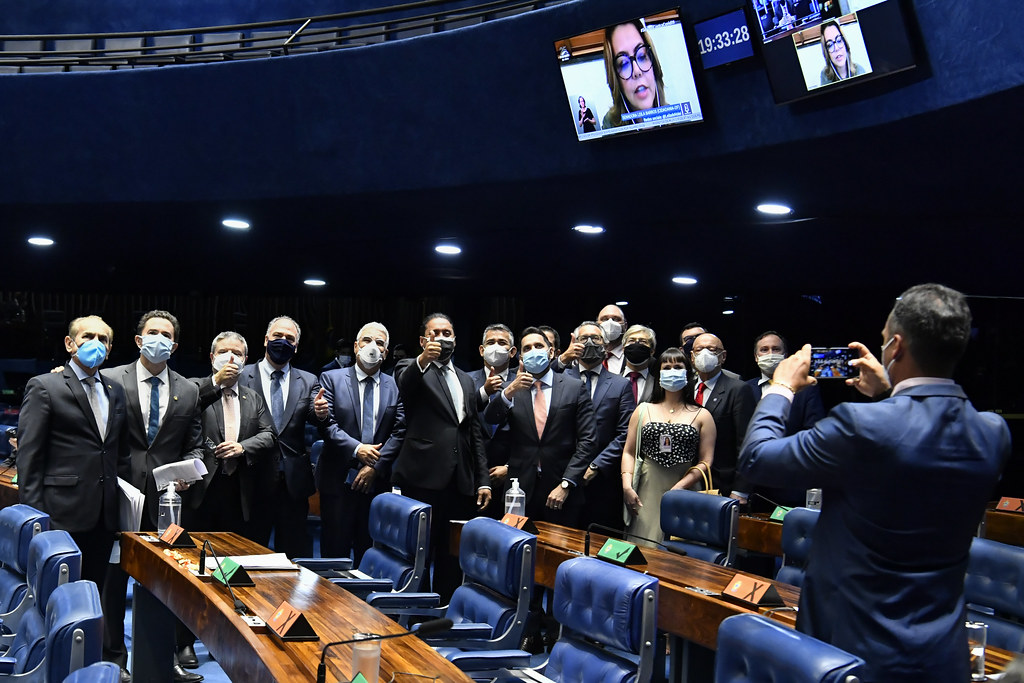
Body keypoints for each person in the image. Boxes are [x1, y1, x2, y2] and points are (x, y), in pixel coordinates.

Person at [738, 284, 1011, 683]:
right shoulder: (992, 433)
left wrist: (781, 387)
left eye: (884, 340)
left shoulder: (860, 424)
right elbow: (914, 449)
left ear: (895, 347)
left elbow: (757, 459)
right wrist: (889, 393)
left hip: (852, 656)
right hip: (941, 657)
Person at [16, 316, 130, 671]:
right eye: (87, 336)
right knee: (54, 605)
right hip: (59, 515)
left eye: (103, 339)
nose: (95, 343)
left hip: (103, 517)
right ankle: (48, 669)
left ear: (110, 348)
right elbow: (29, 457)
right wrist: (35, 521)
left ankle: (87, 671)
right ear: (70, 343)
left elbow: (119, 455)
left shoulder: (115, 390)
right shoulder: (45, 386)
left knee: (91, 600)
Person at [102, 310, 204, 682]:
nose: (158, 338)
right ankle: (114, 660)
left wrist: (188, 475)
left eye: (166, 334)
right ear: (138, 339)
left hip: (166, 502)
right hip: (117, 496)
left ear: (174, 346)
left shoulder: (188, 390)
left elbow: (195, 446)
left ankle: (164, 659)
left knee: (165, 584)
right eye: (152, 332)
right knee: (113, 583)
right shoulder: (110, 379)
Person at [391, 313, 491, 602]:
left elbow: (473, 431)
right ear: (423, 340)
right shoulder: (411, 367)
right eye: (435, 333)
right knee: (418, 552)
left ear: (455, 340)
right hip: (422, 476)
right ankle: (414, 610)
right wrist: (423, 358)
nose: (442, 338)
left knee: (452, 553)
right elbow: (405, 384)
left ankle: (444, 608)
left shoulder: (466, 379)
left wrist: (483, 479)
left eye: (447, 333)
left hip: (459, 480)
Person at [483, 327, 596, 529]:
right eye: (527, 348)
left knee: (560, 546)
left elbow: (588, 440)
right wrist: (510, 391)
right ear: (520, 356)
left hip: (561, 489)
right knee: (516, 544)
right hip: (519, 491)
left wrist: (567, 483)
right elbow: (491, 417)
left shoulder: (574, 387)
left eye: (538, 346)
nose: (533, 351)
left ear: (551, 352)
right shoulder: (512, 387)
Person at [314, 322, 405, 563]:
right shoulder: (331, 378)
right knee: (334, 554)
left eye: (379, 343)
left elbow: (399, 431)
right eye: (367, 340)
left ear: (386, 352)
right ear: (356, 347)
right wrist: (358, 450)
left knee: (371, 554)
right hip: (337, 479)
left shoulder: (394, 385)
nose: (372, 346)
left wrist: (375, 465)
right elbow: (328, 425)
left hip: (376, 483)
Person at [238, 316, 319, 557]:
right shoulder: (242, 376)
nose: (283, 341)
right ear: (266, 340)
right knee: (248, 551)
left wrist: (322, 414)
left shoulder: (308, 380)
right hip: (252, 476)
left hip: (292, 482)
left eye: (289, 338)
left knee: (293, 555)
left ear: (296, 346)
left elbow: (317, 417)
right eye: (277, 336)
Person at [187, 332, 277, 540]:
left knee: (232, 550)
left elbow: (269, 434)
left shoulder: (253, 397)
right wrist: (216, 382)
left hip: (239, 486)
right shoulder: (193, 388)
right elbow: (184, 411)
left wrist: (243, 447)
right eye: (223, 352)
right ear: (212, 357)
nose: (230, 357)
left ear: (244, 361)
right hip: (200, 486)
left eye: (237, 353)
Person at [621, 347, 715, 547]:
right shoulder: (643, 409)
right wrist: (627, 485)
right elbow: (629, 451)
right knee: (644, 544)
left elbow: (706, 461)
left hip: (686, 486)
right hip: (647, 486)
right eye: (667, 367)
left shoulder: (702, 415)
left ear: (688, 373)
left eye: (678, 367)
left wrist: (680, 487)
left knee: (681, 548)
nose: (673, 371)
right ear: (658, 374)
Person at [563, 321, 634, 532]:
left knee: (598, 539)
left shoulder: (621, 384)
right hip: (562, 473)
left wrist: (596, 466)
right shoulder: (560, 379)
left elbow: (625, 433)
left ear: (605, 345)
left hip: (601, 478)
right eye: (584, 338)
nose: (590, 342)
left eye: (596, 338)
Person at [745, 330, 824, 510]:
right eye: (764, 350)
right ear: (756, 357)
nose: (770, 354)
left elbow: (812, 433)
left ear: (785, 355)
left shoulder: (807, 389)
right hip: (752, 486)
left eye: (776, 349)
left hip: (790, 484)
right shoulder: (744, 388)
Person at [691, 332, 755, 500]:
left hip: (722, 485)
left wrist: (741, 490)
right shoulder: (685, 388)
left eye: (712, 350)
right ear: (692, 357)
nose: (705, 354)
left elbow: (746, 444)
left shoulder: (738, 390)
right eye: (699, 350)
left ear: (723, 356)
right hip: (687, 481)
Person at [467, 324, 518, 517]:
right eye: (491, 342)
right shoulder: (465, 380)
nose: (496, 347)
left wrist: (509, 467)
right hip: (470, 475)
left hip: (512, 479)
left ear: (512, 352)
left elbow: (531, 432)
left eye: (502, 343)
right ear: (481, 350)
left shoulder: (523, 382)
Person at [601, 19, 667, 129]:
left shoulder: (680, 118)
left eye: (642, 56)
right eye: (624, 64)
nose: (637, 71)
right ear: (616, 80)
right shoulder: (610, 126)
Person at [620, 324, 657, 404]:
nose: (636, 344)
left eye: (643, 341)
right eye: (631, 341)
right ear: (623, 349)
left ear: (652, 351)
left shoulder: (658, 384)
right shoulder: (611, 382)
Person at [819, 19, 865, 85]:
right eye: (830, 45)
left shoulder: (859, 71)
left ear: (845, 43)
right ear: (827, 52)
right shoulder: (825, 77)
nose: (836, 48)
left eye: (839, 40)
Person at [597, 304, 628, 373]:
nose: (610, 323)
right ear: (596, 325)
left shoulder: (632, 355)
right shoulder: (585, 354)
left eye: (616, 319)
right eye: (605, 319)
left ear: (625, 326)